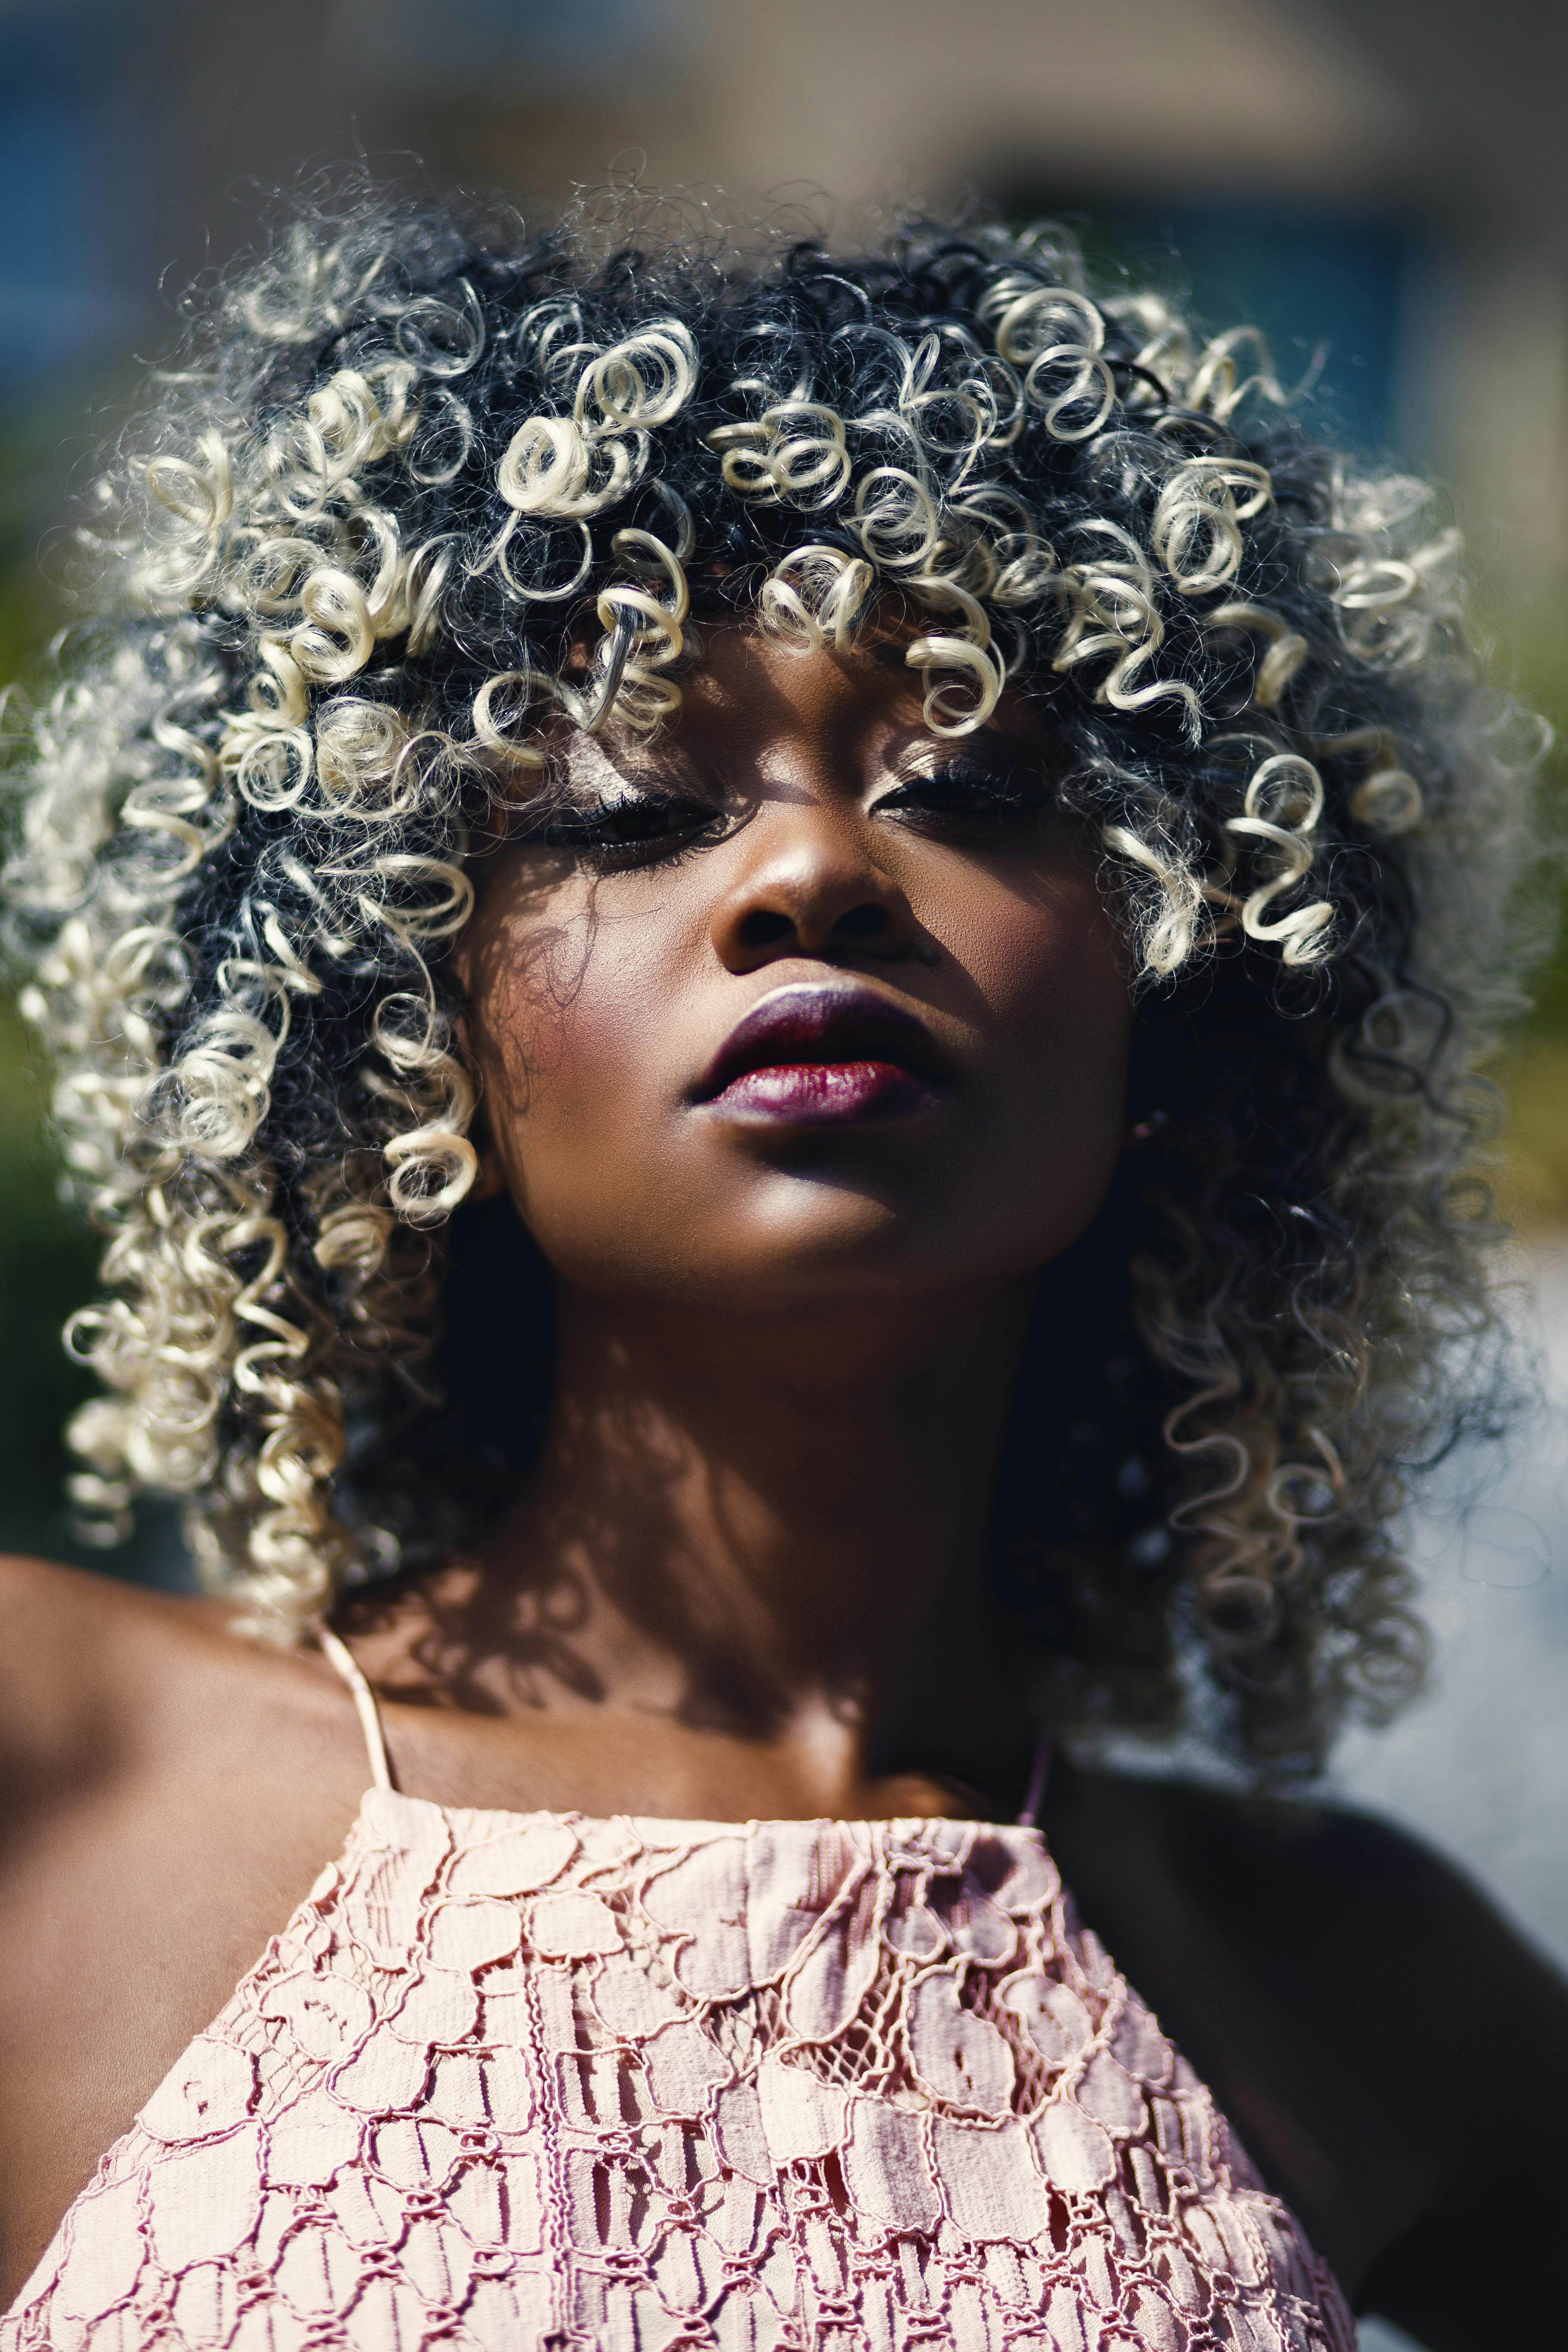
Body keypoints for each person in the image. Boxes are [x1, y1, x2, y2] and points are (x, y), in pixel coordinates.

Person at [0, 181, 1563, 2352]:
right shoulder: (57, 1773)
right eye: (636, 811)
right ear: (387, 1014)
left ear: (1193, 980)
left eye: (981, 787)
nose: (817, 865)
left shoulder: (1341, 1988)